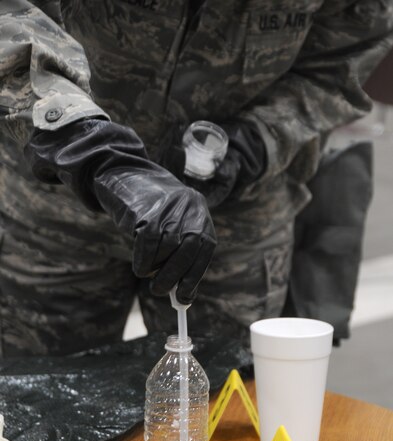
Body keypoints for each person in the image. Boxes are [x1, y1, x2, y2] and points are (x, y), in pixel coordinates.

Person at [0, 1, 392, 357]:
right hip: (56, 206)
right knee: (42, 406)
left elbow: (349, 55)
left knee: (225, 407)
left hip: (233, 222)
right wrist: (93, 151)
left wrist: (257, 139)